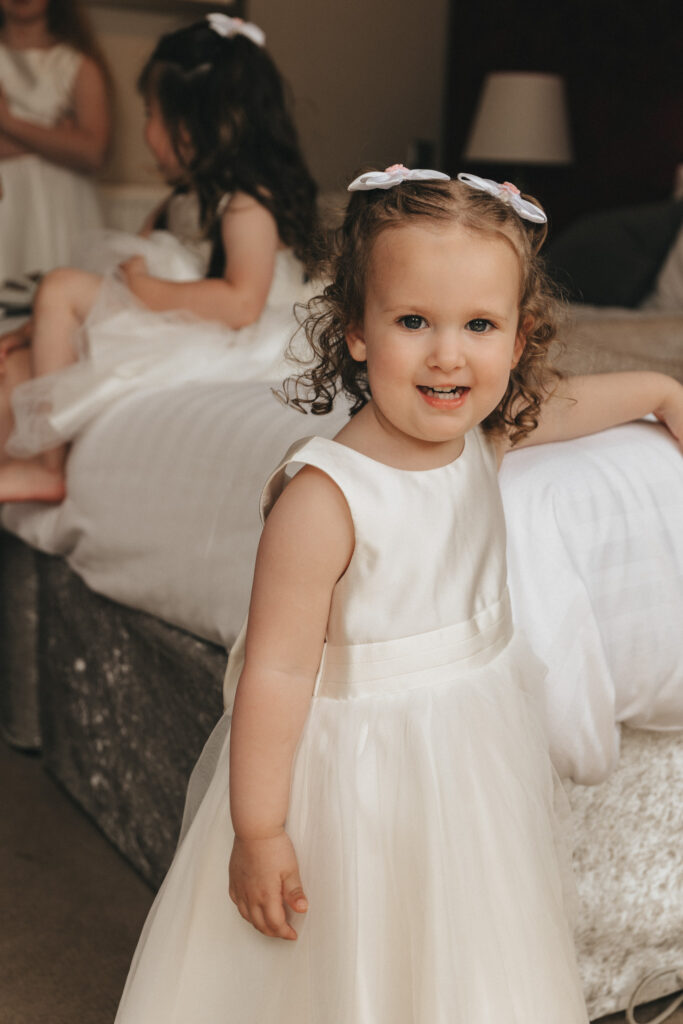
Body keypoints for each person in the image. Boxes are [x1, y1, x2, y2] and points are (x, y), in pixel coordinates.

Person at [114, 167, 683, 1024]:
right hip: (358, 782)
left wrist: (662, 391)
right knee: (354, 960)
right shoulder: (325, 498)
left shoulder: (482, 435)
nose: (447, 354)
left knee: (463, 947)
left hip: (473, 745)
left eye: (479, 325)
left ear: (519, 337)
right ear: (354, 331)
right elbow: (272, 672)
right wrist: (259, 831)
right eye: (413, 321)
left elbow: (568, 406)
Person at [0, 14, 319, 503]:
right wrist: (33, 327)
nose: (147, 129)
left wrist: (144, 290)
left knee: (61, 285)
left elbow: (241, 304)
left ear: (191, 127)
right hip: (173, 316)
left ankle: (47, 470)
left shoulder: (247, 204)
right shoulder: (181, 202)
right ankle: (20, 463)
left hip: (224, 331)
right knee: (17, 369)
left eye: (151, 114)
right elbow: (114, 274)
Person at [0, 0, 111, 280]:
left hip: (62, 211)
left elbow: (92, 152)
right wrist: (57, 139)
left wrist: (8, 122)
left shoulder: (79, 65)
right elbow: (79, 148)